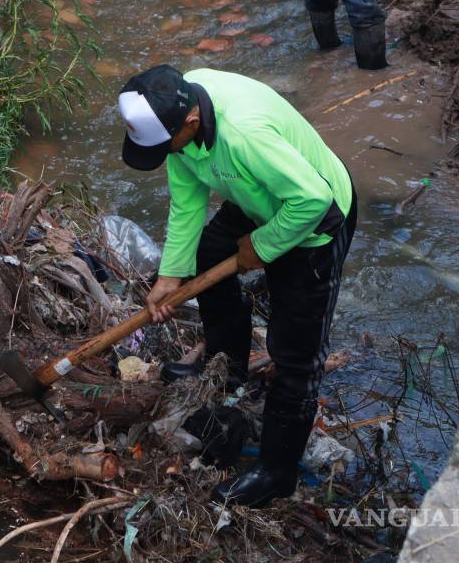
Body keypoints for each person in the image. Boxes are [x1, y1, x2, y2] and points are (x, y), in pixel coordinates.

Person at [117, 65, 357, 507]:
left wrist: (261, 248)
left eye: (164, 146)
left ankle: (276, 472)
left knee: (295, 354)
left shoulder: (243, 134)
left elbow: (313, 199)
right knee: (208, 252)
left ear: (190, 123)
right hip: (260, 194)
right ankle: (228, 367)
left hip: (315, 215)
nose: (164, 154)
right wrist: (171, 275)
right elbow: (187, 201)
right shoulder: (178, 108)